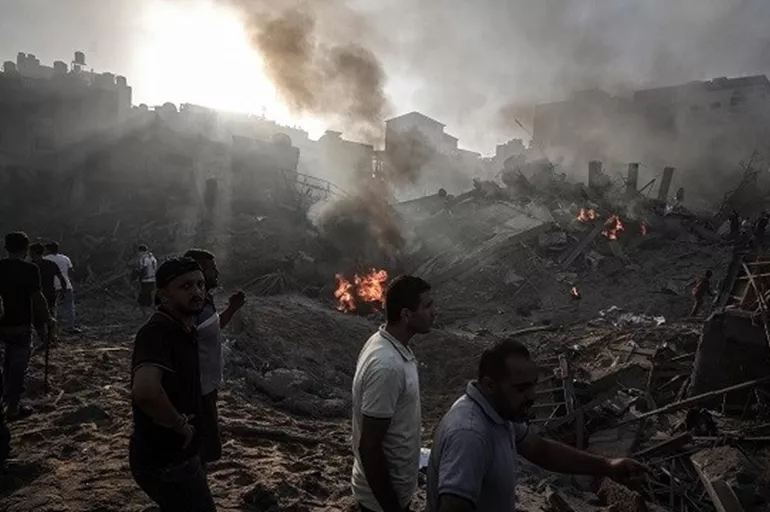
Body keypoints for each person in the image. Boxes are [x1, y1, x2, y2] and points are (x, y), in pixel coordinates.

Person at [426, 339, 649, 512]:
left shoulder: (499, 413)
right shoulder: (469, 434)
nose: (532, 395)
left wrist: (608, 466)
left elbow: (541, 450)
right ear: (490, 386)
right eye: (521, 388)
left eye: (533, 385)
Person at [129, 257, 216, 511]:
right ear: (163, 295)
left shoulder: (184, 328)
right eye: (185, 286)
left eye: (200, 284)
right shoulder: (157, 332)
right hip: (167, 459)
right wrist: (179, 424)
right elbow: (145, 391)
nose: (197, 292)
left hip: (180, 454)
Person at [351, 275, 435, 512]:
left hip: (390, 493)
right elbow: (370, 446)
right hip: (381, 500)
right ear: (407, 315)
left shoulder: (386, 344)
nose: (434, 312)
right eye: (427, 306)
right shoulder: (387, 366)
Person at [183, 248, 246, 464]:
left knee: (207, 448)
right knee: (201, 449)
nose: (217, 273)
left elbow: (214, 327)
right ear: (198, 272)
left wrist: (232, 308)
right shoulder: (187, 308)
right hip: (195, 391)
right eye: (212, 268)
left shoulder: (205, 300)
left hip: (208, 388)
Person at [0, 232, 56, 419]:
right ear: (25, 249)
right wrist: (48, 319)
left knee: (5, 364)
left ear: (6, 248)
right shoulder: (30, 269)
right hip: (21, 325)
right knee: (18, 366)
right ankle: (13, 407)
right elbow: (37, 298)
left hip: (1, 325)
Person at [44, 241, 80, 334]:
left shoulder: (45, 259)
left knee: (52, 307)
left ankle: (53, 328)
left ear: (47, 250)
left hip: (52, 287)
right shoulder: (65, 258)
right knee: (69, 307)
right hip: (66, 285)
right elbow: (71, 272)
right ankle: (69, 326)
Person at [29, 242, 67, 317]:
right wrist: (63, 291)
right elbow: (61, 278)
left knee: (35, 315)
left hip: (35, 295)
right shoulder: (51, 264)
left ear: (32, 253)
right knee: (50, 314)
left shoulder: (29, 266)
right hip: (50, 293)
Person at [133, 245, 158, 313]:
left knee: (144, 300)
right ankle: (151, 312)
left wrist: (138, 277)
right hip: (153, 280)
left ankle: (147, 314)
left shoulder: (144, 258)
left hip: (146, 280)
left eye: (138, 252)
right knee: (149, 298)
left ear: (141, 251)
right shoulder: (153, 258)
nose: (138, 254)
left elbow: (145, 270)